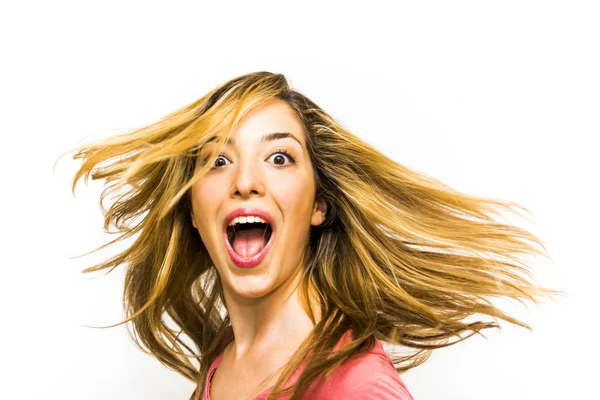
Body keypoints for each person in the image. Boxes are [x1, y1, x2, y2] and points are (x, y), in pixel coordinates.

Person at [63, 71, 561, 399]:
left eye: (279, 157)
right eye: (218, 159)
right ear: (193, 210)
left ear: (318, 204)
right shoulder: (226, 357)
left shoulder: (356, 387)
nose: (245, 180)